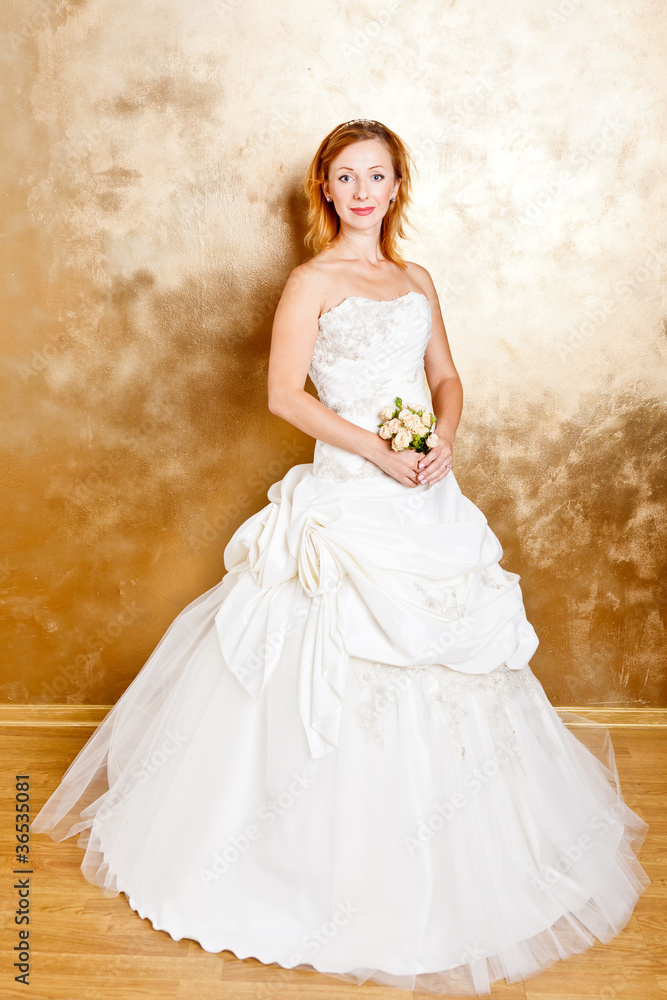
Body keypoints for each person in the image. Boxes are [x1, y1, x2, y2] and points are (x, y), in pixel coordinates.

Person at [31, 119, 650, 996]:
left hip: (424, 490)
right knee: (328, 642)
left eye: (378, 176)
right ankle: (300, 861)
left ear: (398, 186)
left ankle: (460, 847)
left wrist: (440, 438)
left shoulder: (415, 279)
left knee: (452, 652)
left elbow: (446, 376)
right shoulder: (310, 282)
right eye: (346, 176)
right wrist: (377, 451)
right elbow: (284, 395)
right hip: (351, 491)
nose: (362, 191)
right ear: (324, 187)